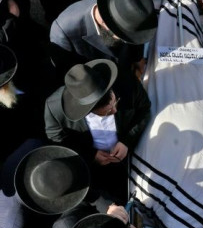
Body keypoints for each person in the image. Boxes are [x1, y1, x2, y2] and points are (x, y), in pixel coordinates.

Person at [44, 59, 151, 200]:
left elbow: (144, 110)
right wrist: (90, 154)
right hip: (90, 170)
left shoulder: (126, 83)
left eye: (115, 102)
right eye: (107, 112)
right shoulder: (54, 108)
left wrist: (127, 141)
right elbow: (56, 139)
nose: (115, 110)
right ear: (87, 111)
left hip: (129, 159)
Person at [48, 0, 156, 76]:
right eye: (123, 37)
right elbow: (69, 78)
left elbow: (137, 34)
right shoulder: (63, 32)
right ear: (105, 23)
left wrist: (138, 59)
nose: (126, 41)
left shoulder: (123, 5)